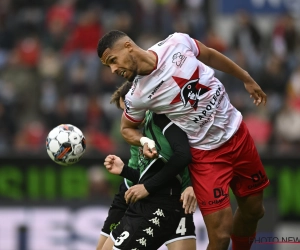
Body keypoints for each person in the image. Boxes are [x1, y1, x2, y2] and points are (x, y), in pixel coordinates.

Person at [97, 30, 270, 250]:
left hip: (238, 134)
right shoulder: (136, 95)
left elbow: (208, 55)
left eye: (113, 61)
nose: (113, 70)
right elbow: (126, 128)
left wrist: (245, 77)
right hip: (207, 155)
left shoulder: (176, 43)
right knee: (221, 235)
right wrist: (144, 141)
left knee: (255, 211)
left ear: (128, 46)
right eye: (108, 66)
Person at [97, 81, 197, 250]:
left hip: (171, 200)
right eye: (124, 112)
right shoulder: (137, 138)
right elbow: (145, 178)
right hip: (155, 199)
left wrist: (194, 185)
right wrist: (124, 170)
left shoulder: (162, 119)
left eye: (128, 109)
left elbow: (186, 156)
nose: (127, 117)